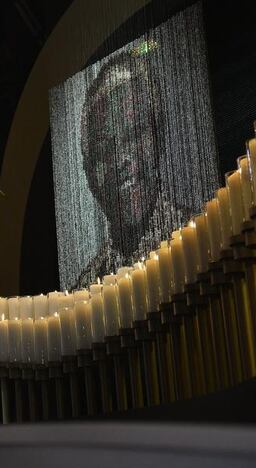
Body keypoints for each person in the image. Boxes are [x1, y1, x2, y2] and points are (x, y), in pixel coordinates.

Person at [75, 42, 191, 288]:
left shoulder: (201, 241)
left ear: (158, 136)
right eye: (105, 149)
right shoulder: (83, 292)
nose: (120, 160)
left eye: (134, 134)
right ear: (88, 175)